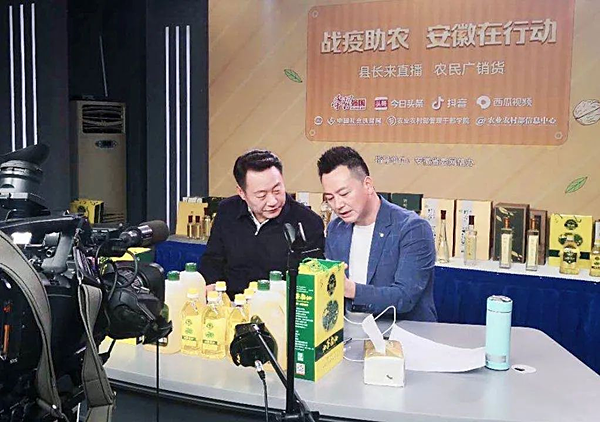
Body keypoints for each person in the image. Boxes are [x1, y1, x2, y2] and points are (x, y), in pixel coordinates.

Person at [317, 146, 437, 321]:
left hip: (403, 331)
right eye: (330, 198)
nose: (338, 205)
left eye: (344, 193)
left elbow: (405, 297)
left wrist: (350, 289)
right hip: (351, 328)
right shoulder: (336, 228)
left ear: (367, 185)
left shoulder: (412, 228)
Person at [200, 149, 325, 296]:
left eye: (277, 190)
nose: (272, 201)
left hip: (280, 305)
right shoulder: (227, 211)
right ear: (241, 193)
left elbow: (310, 284)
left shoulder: (308, 222)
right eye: (261, 195)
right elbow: (212, 260)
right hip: (232, 303)